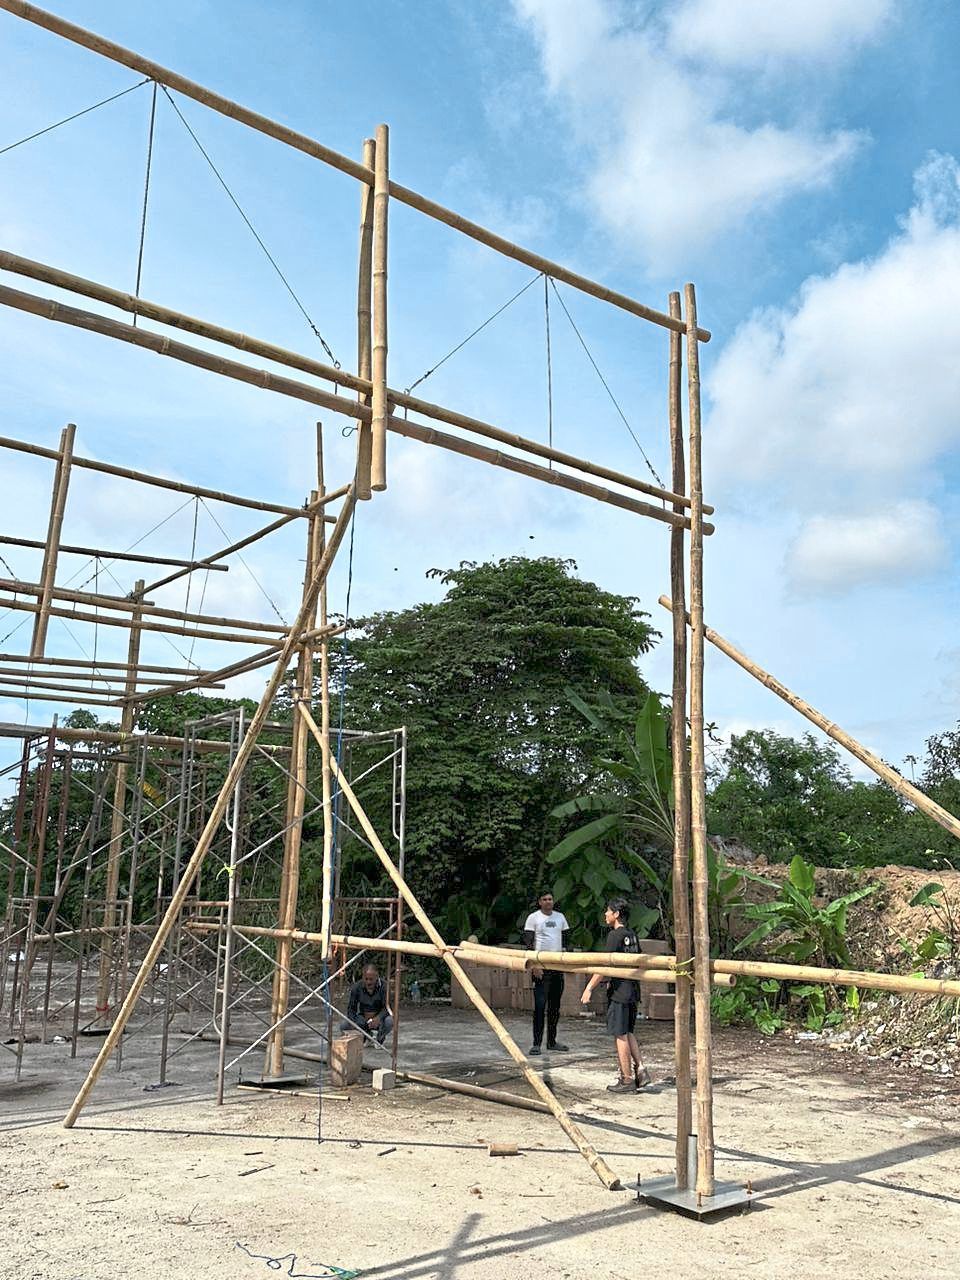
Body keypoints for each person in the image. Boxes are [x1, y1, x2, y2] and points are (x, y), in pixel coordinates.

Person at [580, 897, 650, 1093]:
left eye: (608, 911)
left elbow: (604, 965)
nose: (605, 914)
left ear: (616, 914)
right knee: (628, 1031)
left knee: (620, 1034)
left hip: (620, 992)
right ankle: (641, 1070)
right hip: (633, 990)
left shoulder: (614, 936)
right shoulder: (632, 935)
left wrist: (589, 987)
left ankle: (627, 1079)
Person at [523, 890, 570, 1055]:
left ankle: (552, 1042)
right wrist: (534, 966)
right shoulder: (533, 918)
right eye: (545, 899)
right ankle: (536, 1044)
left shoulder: (560, 917)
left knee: (555, 1007)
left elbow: (566, 940)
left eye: (550, 899)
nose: (548, 901)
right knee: (540, 1006)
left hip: (557, 967)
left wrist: (565, 962)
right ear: (539, 902)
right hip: (541, 968)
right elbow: (529, 944)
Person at [340, 963, 393, 1044]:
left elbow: (388, 1008)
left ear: (377, 977)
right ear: (363, 977)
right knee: (344, 1025)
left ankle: (379, 1038)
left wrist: (378, 1018)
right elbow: (351, 1008)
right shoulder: (357, 987)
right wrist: (353, 1022)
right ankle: (365, 1037)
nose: (368, 982)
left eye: (371, 979)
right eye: (366, 979)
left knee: (390, 1021)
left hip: (379, 1018)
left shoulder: (384, 986)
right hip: (363, 1018)